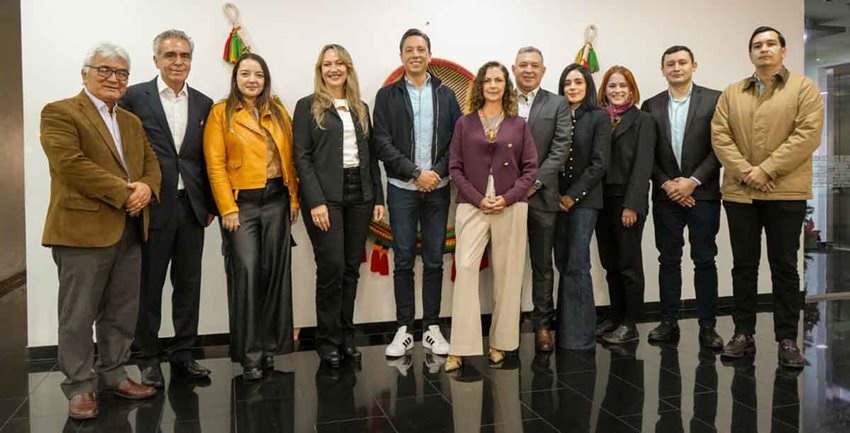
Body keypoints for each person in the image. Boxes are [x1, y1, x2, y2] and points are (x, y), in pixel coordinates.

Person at [40, 42, 161, 419]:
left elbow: (151, 164)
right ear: (85, 73)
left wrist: (146, 187)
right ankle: (78, 386)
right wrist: (125, 192)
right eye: (104, 70)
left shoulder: (130, 120)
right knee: (78, 313)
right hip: (82, 230)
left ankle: (114, 373)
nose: (114, 78)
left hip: (128, 229)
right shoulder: (60, 112)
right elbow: (70, 165)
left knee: (121, 310)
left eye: (122, 73)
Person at [712, 26, 824, 368]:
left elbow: (807, 135)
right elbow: (720, 135)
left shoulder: (804, 89)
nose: (764, 49)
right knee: (743, 267)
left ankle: (787, 339)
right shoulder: (732, 93)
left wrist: (767, 170)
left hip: (785, 192)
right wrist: (748, 171)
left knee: (785, 268)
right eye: (757, 45)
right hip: (740, 193)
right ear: (750, 54)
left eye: (770, 44)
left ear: (783, 51)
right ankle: (742, 334)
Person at [119, 29, 214, 387]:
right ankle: (148, 359)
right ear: (155, 59)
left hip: (191, 207)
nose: (178, 62)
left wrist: (211, 204)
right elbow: (122, 148)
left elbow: (206, 159)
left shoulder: (205, 103)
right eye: (170, 55)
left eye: (185, 55)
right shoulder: (133, 97)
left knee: (189, 284)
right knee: (149, 285)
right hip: (151, 206)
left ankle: (184, 355)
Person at [204, 52, 300, 380]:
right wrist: (226, 208)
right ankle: (250, 355)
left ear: (265, 78)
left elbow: (290, 160)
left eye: (258, 74)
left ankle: (270, 347)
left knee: (274, 274)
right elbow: (214, 164)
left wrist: (294, 201)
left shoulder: (279, 110)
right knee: (245, 274)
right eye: (245, 73)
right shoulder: (221, 112)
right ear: (236, 78)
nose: (252, 80)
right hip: (240, 204)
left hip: (277, 199)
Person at [293, 44, 385, 368]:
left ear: (348, 67)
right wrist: (315, 201)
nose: (333, 69)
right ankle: (327, 340)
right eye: (327, 64)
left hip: (360, 195)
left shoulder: (360, 106)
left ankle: (347, 336)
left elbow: (370, 155)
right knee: (330, 269)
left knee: (350, 269)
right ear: (320, 70)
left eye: (339, 63)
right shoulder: (307, 107)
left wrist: (378, 198)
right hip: (325, 198)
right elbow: (301, 157)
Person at [372, 28, 461, 358]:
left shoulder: (446, 95)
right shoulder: (387, 97)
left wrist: (436, 173)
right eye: (408, 50)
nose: (415, 54)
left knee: (435, 259)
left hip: (437, 189)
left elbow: (456, 141)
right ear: (401, 56)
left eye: (420, 49)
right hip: (401, 189)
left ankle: (433, 328)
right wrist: (413, 173)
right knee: (404, 260)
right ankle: (404, 329)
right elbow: (381, 142)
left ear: (429, 54)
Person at [445, 61, 538, 371]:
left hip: (510, 206)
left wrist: (509, 198)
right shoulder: (465, 123)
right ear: (480, 86)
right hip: (473, 205)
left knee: (508, 278)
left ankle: (501, 343)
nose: (494, 85)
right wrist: (477, 198)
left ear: (506, 86)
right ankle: (460, 347)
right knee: (467, 270)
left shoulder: (519, 125)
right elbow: (454, 168)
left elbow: (530, 169)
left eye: (499, 80)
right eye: (488, 80)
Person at [640, 46, 725, 349]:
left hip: (703, 195)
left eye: (682, 63)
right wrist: (668, 184)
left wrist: (692, 182)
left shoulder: (715, 100)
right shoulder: (650, 106)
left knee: (704, 260)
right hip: (666, 197)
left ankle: (707, 326)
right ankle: (668, 322)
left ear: (694, 65)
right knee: (669, 261)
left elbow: (720, 148)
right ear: (662, 70)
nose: (676, 68)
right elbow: (645, 154)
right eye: (670, 64)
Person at [511, 47, 572, 352]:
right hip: (507, 198)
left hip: (542, 195)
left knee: (542, 265)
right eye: (523, 65)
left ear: (544, 70)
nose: (528, 70)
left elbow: (560, 149)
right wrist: (513, 187)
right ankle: (506, 326)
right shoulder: (501, 99)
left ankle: (542, 326)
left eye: (534, 65)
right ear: (513, 68)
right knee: (508, 265)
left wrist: (532, 182)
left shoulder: (558, 103)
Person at [594, 65, 656, 345]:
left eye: (622, 86)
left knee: (629, 264)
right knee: (610, 263)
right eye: (612, 86)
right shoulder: (599, 119)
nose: (617, 91)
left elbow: (643, 166)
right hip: (601, 200)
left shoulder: (643, 120)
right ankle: (616, 316)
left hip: (626, 200)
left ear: (632, 89)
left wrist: (632, 205)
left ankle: (630, 323)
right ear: (604, 90)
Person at [554, 63, 611, 350]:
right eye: (567, 83)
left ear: (587, 85)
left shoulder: (598, 116)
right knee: (563, 262)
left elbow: (600, 163)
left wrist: (573, 196)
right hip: (555, 201)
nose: (572, 87)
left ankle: (580, 337)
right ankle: (565, 330)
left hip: (585, 201)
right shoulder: (558, 114)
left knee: (578, 263)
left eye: (577, 82)